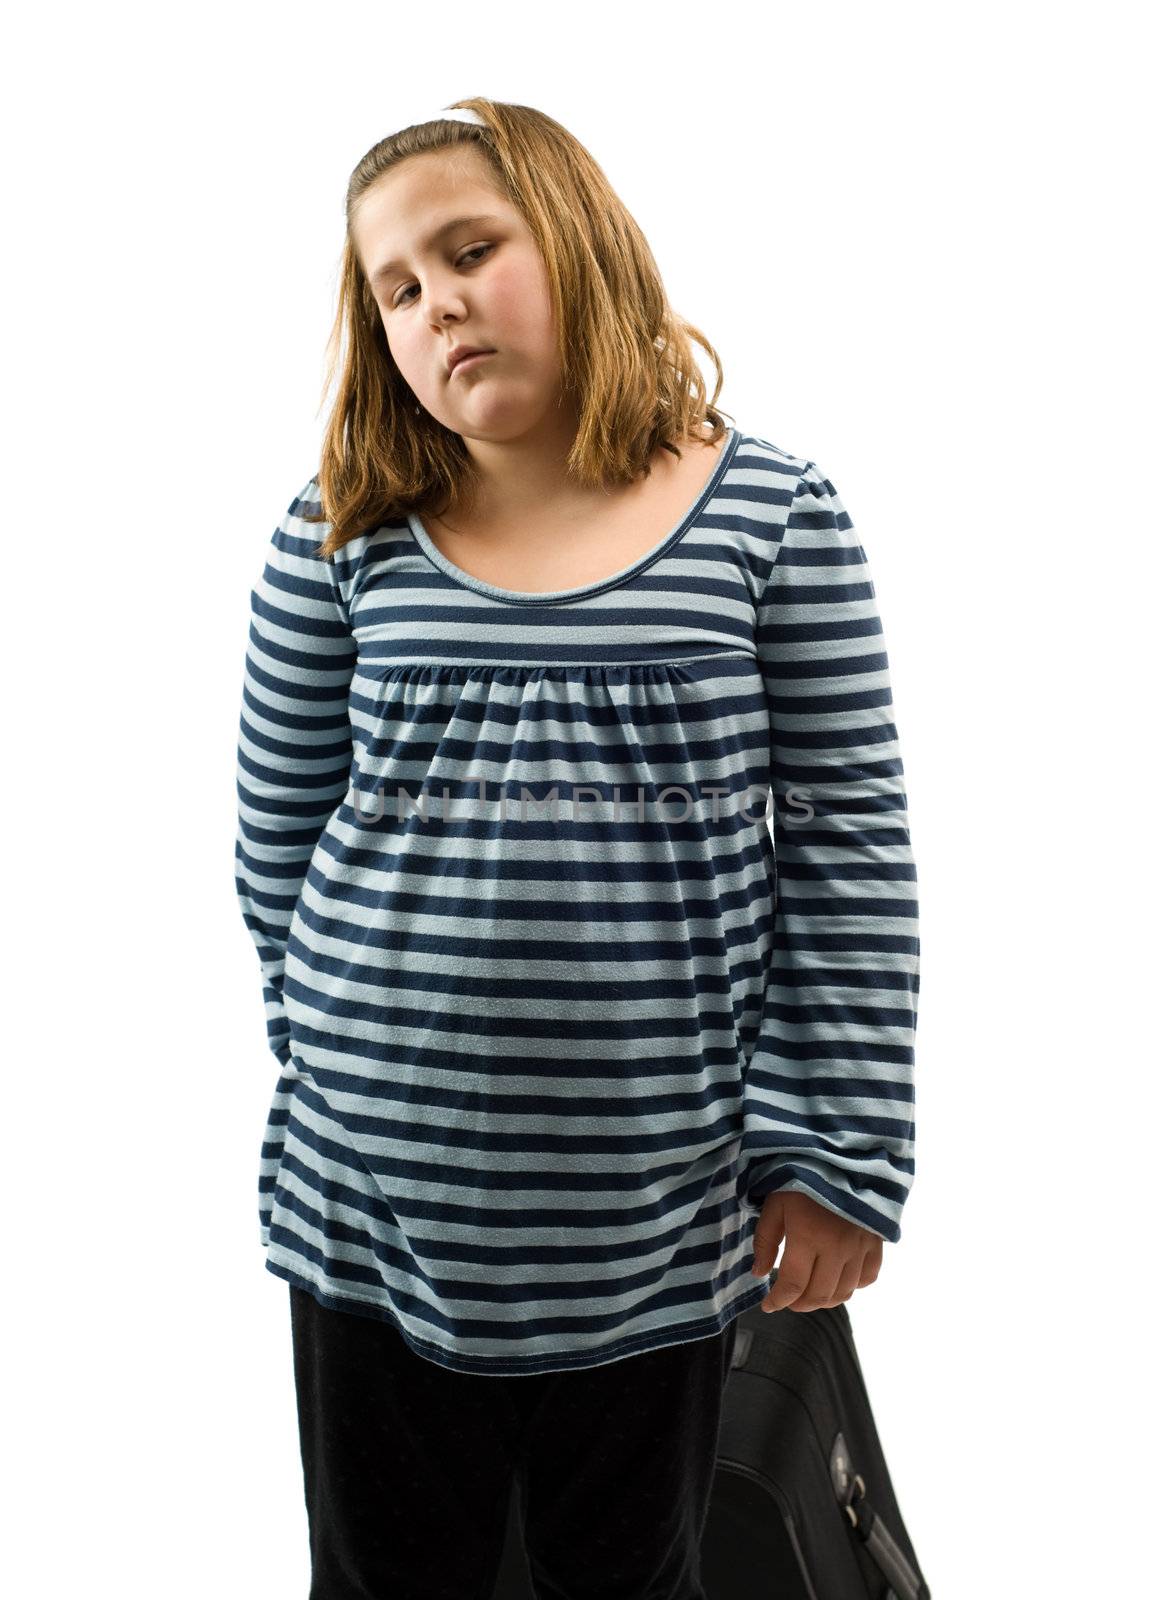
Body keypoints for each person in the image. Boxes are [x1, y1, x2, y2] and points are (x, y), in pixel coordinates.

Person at [233, 98, 920, 1600]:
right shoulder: (341, 531)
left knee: (630, 1572)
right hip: (372, 1218)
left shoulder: (769, 516)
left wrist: (841, 1150)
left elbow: (851, 847)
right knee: (384, 1578)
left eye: (472, 249)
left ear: (582, 239)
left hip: (654, 1219)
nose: (439, 302)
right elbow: (277, 841)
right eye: (396, 289)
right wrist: (351, 1062)